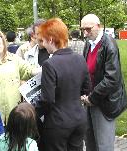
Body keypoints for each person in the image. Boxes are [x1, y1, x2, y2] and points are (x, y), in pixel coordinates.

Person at [36, 18, 91, 151]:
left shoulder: (50, 64)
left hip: (58, 123)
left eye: (43, 40)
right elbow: (86, 88)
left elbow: (47, 100)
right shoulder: (80, 58)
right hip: (79, 119)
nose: (42, 44)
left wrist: (33, 111)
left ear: (50, 39)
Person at [80, 14, 127, 151]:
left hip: (104, 102)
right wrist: (83, 93)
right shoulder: (88, 44)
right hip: (89, 99)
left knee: (104, 145)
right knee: (90, 142)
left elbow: (112, 78)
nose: (85, 33)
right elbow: (86, 71)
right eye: (83, 29)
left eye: (88, 29)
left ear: (98, 26)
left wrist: (92, 97)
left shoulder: (109, 45)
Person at [0, 26, 41, 125]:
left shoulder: (14, 59)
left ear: (2, 38)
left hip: (14, 116)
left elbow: (29, 70)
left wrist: (48, 68)